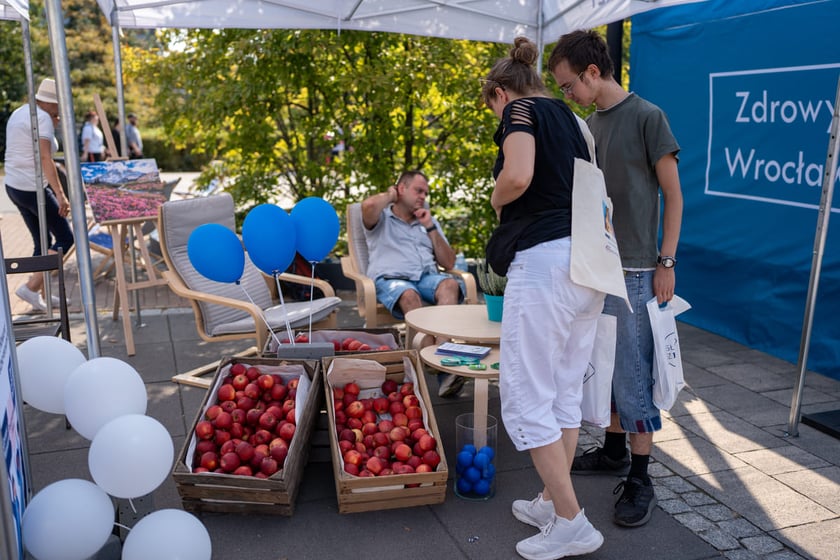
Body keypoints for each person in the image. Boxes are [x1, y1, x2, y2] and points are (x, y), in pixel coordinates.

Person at [548, 29, 684, 528]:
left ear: (591, 73)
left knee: (631, 375)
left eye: (568, 86)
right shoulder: (587, 126)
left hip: (637, 271)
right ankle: (612, 454)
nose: (568, 94)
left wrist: (666, 263)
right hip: (594, 268)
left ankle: (642, 476)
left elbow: (673, 194)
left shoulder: (649, 117)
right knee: (600, 369)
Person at [481, 37, 606, 559]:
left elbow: (518, 175)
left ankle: (572, 522)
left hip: (547, 265)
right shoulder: (576, 121)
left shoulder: (520, 111)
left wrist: (494, 197)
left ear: (498, 93)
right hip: (589, 264)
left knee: (526, 397)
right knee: (562, 393)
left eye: (489, 104)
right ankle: (552, 501)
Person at [361, 170, 467, 398]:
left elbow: (448, 262)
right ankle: (444, 368)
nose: (423, 196)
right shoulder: (381, 218)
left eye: (425, 193)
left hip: (427, 278)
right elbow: (368, 206)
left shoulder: (427, 221)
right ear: (401, 189)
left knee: (450, 284)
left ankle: (437, 358)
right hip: (393, 281)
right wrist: (390, 195)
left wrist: (430, 227)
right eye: (418, 191)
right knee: (409, 294)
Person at [4, 78, 74, 312]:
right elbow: (45, 158)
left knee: (42, 241)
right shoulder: (41, 118)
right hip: (33, 188)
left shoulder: (21, 112)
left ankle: (41, 294)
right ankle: (31, 288)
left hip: (13, 185)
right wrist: (61, 194)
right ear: (51, 103)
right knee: (65, 238)